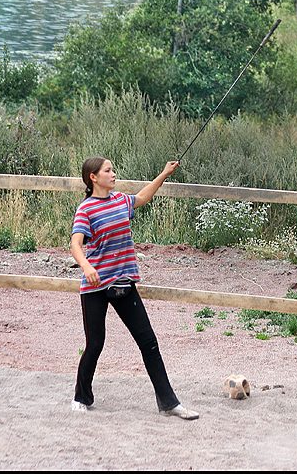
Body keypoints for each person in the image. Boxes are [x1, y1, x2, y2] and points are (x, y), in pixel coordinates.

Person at [70, 157, 199, 420]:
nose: (113, 174)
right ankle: (81, 397)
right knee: (95, 344)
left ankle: (169, 403)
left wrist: (164, 173)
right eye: (108, 170)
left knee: (148, 342)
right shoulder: (86, 209)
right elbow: (75, 244)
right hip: (95, 286)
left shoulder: (120, 200)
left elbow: (142, 197)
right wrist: (86, 267)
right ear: (93, 177)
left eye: (112, 169)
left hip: (123, 282)